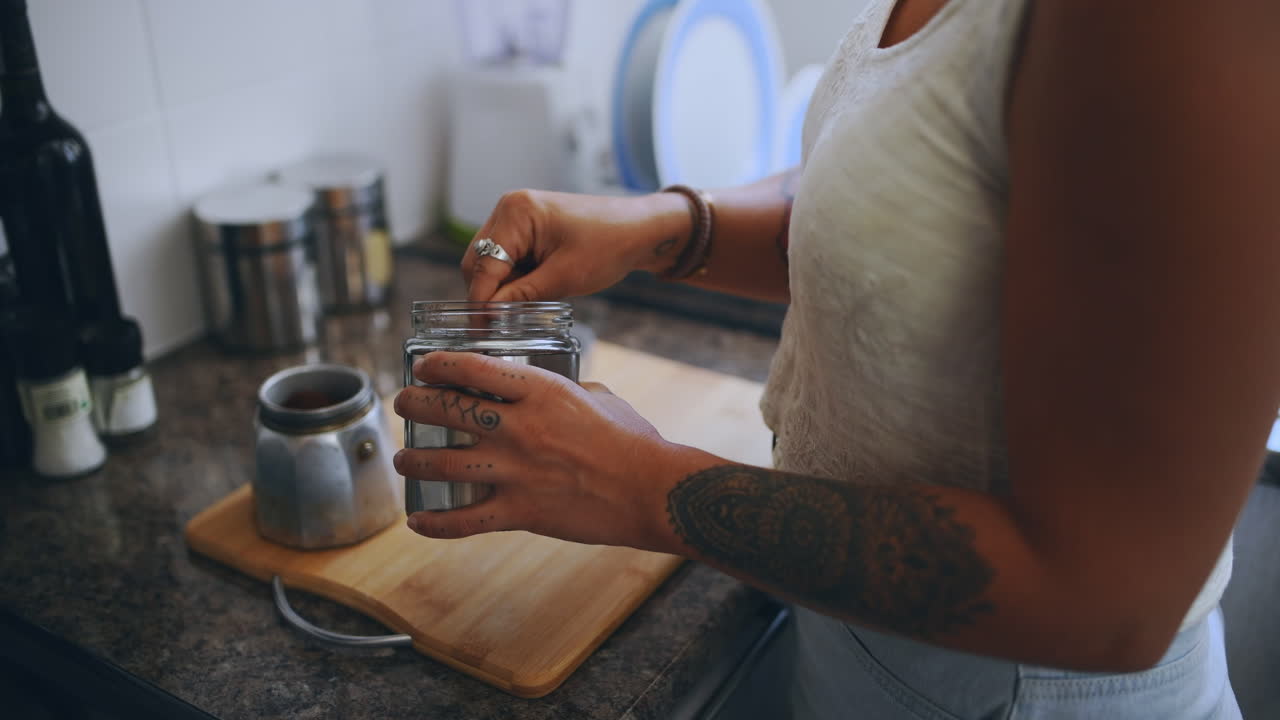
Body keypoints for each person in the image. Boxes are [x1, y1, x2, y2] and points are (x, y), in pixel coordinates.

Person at [392, 0, 1276, 716]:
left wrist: (643, 485)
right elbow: (913, 206)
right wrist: (669, 224)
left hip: (1021, 690)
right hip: (861, 649)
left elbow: (1107, 597)